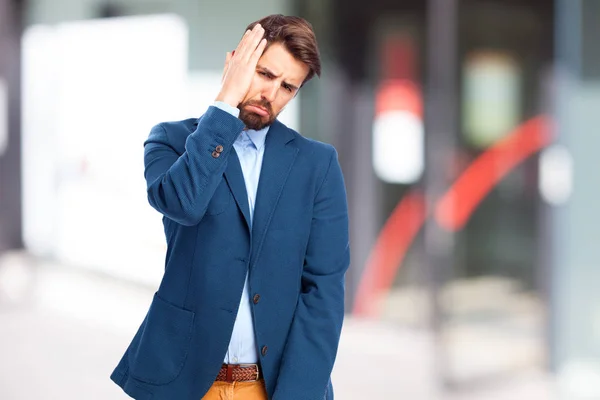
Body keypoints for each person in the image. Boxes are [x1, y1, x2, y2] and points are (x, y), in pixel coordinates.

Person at [110, 14, 350, 400]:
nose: (271, 94)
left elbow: (323, 291)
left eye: (288, 86)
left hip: (271, 387)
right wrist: (224, 103)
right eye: (264, 74)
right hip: (183, 383)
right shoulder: (171, 141)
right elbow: (183, 203)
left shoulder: (317, 165)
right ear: (235, 61)